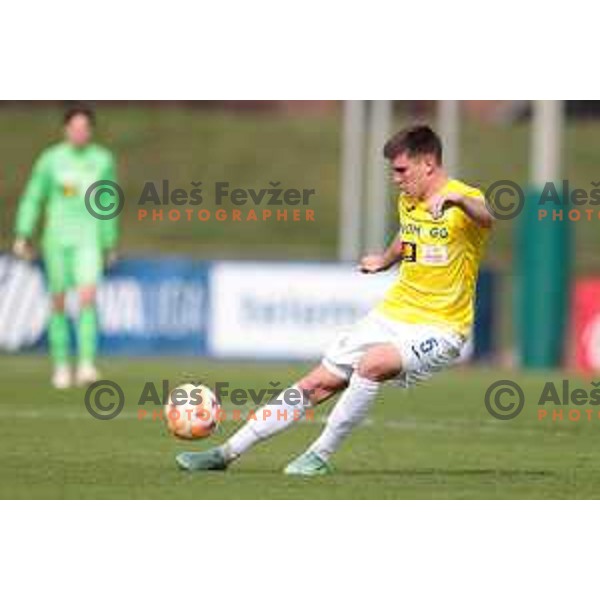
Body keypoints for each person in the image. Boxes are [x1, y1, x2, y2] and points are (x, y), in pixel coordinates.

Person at [177, 124, 493, 475]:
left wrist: (460, 201)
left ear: (428, 164)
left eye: (401, 170)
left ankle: (319, 456)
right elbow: (409, 235)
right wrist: (385, 260)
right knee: (315, 384)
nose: (396, 179)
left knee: (372, 364)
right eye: (393, 171)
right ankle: (226, 452)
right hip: (393, 314)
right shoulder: (409, 200)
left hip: (442, 327)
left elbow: (486, 216)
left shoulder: (465, 198)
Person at [13, 105, 119, 389]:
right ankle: (61, 366)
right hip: (57, 239)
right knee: (58, 302)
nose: (80, 133)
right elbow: (33, 197)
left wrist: (109, 243)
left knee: (87, 297)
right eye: (75, 128)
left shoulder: (102, 160)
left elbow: (108, 204)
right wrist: (23, 233)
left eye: (85, 128)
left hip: (89, 238)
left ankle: (85, 364)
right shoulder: (51, 160)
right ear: (66, 130)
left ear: (91, 131)